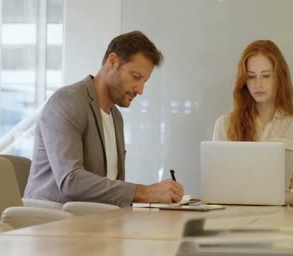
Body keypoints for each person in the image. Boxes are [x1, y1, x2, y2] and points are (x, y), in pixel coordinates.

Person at [25, 31, 184, 207]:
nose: (140, 90)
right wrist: (144, 192)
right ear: (112, 61)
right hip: (51, 222)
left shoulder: (115, 117)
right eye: (136, 77)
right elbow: (71, 180)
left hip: (94, 220)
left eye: (144, 82)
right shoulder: (67, 101)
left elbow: (109, 189)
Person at [212, 40, 293, 205]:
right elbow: (216, 187)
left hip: (282, 222)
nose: (258, 84)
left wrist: (273, 198)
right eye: (251, 77)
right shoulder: (224, 124)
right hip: (234, 221)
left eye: (266, 75)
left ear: (279, 78)